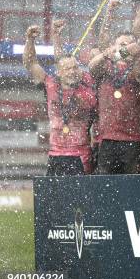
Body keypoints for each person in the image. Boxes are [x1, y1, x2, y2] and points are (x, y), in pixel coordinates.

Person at [24, 24, 97, 175]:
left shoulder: (87, 87)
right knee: (54, 196)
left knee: (81, 196)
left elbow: (87, 104)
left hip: (80, 154)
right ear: (59, 72)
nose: (73, 72)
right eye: (68, 69)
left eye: (75, 68)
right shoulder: (51, 84)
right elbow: (30, 63)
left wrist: (56, 36)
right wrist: (30, 40)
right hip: (55, 154)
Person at [88, 32, 140, 174]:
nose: (124, 48)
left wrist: (138, 55)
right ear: (114, 46)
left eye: (128, 45)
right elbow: (92, 68)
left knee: (131, 186)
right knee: (106, 185)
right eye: (121, 44)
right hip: (107, 138)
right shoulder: (106, 66)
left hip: (133, 139)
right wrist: (105, 54)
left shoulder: (138, 65)